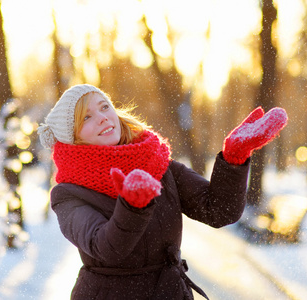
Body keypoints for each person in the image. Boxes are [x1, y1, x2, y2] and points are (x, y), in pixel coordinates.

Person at [37, 84, 288, 300]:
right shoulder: (69, 194)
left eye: (104, 107)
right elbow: (107, 249)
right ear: (73, 138)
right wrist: (133, 206)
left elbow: (218, 211)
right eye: (86, 117)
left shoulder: (157, 163)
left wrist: (234, 158)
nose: (102, 117)